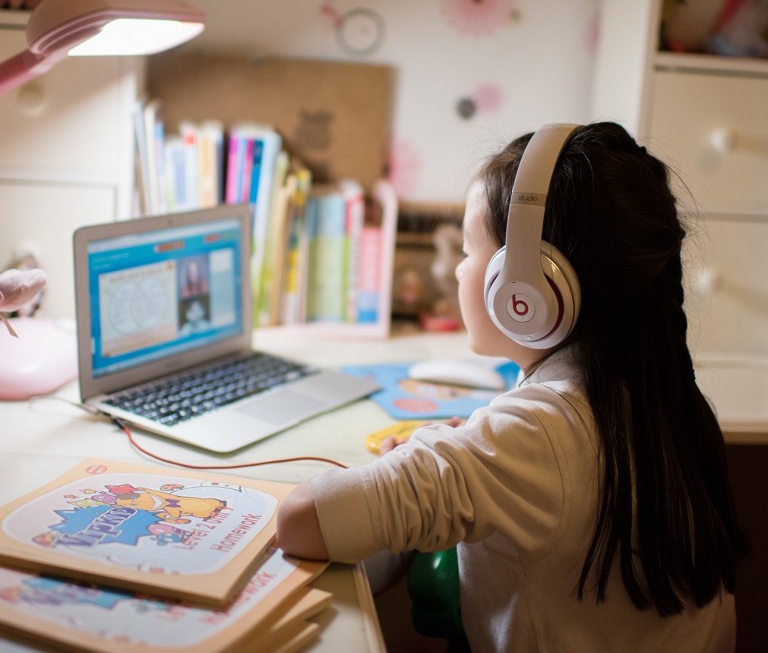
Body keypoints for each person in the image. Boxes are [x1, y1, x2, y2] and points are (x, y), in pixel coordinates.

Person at [276, 121, 748, 652]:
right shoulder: (668, 402)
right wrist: (474, 451)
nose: (457, 272)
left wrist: (448, 457)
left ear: (525, 290)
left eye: (467, 250)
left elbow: (301, 521)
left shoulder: (534, 437)